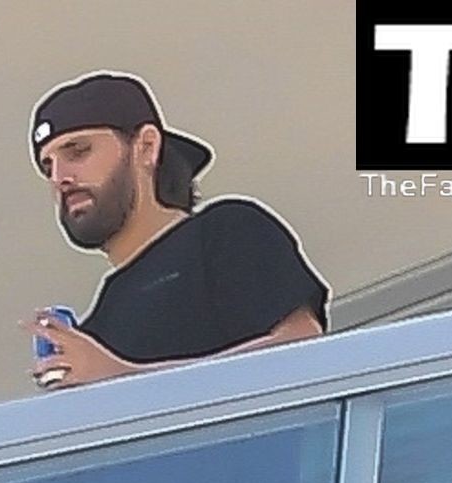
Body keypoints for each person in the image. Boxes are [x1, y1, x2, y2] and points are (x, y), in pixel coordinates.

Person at [27, 71, 330, 389]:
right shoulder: (98, 327)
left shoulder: (226, 231)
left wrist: (123, 377)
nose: (59, 178)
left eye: (78, 151)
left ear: (146, 147)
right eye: (48, 167)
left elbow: (301, 348)